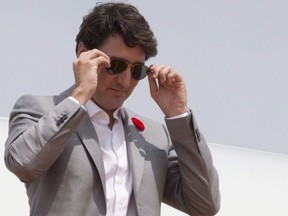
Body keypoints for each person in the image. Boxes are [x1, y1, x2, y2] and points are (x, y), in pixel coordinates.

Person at [4, 2, 220, 216]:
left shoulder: (155, 136)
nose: (125, 81)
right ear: (83, 53)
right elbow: (23, 165)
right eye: (115, 65)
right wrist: (80, 94)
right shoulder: (41, 109)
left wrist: (178, 114)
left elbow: (204, 204)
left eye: (137, 70)